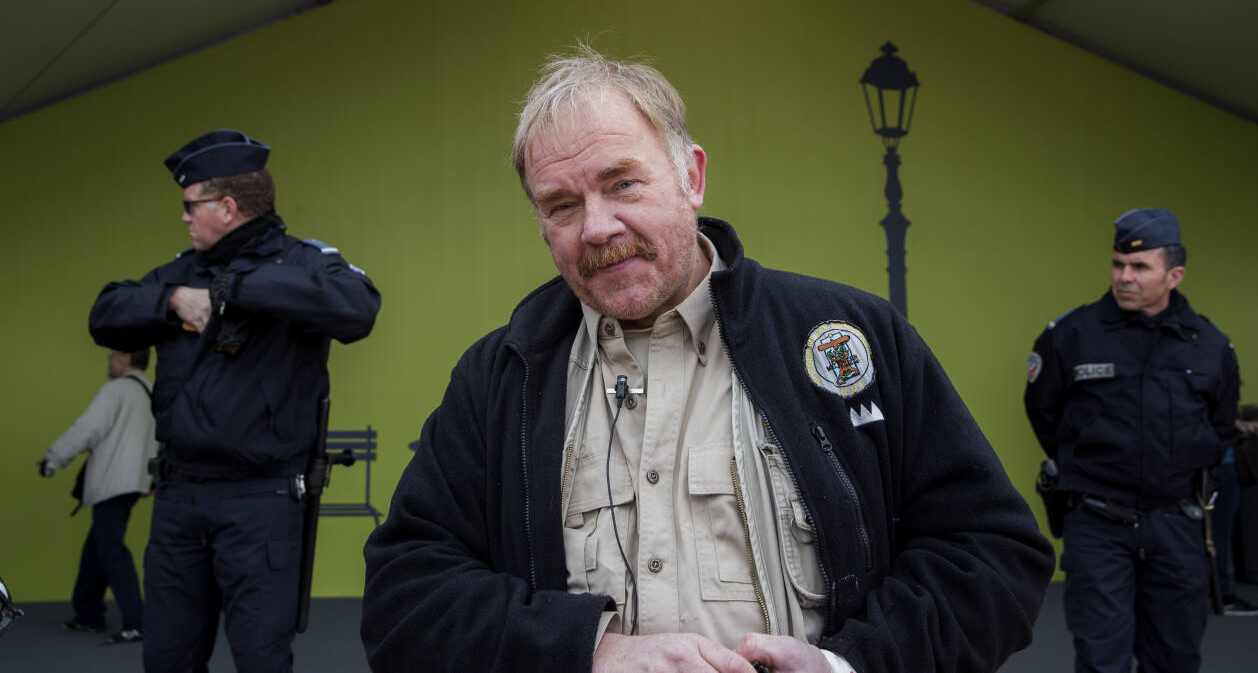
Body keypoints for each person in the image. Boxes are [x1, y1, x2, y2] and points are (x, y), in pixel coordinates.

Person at [362, 48, 1054, 673]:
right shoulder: (501, 377)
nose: (596, 226)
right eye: (562, 204)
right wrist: (585, 650)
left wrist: (850, 667)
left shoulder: (848, 337)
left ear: (691, 176)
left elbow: (991, 555)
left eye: (623, 183)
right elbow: (407, 596)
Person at [89, 129, 381, 672]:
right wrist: (172, 299)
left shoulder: (302, 262)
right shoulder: (180, 272)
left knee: (260, 660)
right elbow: (104, 314)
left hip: (261, 502)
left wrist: (236, 292)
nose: (183, 217)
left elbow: (358, 307)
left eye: (189, 205)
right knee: (168, 658)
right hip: (178, 499)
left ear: (226, 207)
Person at [1025, 207, 1240, 672]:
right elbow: (1044, 414)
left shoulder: (1209, 345)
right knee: (1102, 658)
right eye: (1118, 264)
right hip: (1098, 522)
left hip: (1177, 523)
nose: (1125, 276)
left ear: (1174, 275)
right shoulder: (1071, 336)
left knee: (1176, 657)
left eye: (1140, 267)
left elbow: (1220, 426)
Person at [39, 348, 158, 644]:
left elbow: (88, 430)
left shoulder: (116, 390)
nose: (109, 362)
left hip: (112, 482)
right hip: (134, 483)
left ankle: (137, 622)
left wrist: (54, 459)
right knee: (98, 548)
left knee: (111, 551)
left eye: (112, 357)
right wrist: (153, 479)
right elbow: (163, 437)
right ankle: (88, 615)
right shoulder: (153, 392)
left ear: (125, 358)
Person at [1211, 417, 1258, 616]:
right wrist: (1235, 422)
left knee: (1215, 532)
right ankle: (1222, 594)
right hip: (1218, 460)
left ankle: (1217, 592)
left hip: (1211, 460)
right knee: (1219, 533)